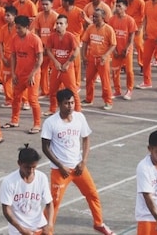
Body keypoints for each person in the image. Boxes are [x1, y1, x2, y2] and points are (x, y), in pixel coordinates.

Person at [40, 88, 115, 235]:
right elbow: (45, 147)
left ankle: (99, 223)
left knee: (92, 194)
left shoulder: (79, 118)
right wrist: (60, 165)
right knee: (54, 202)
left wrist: (83, 161)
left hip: (78, 167)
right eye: (67, 103)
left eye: (72, 103)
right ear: (59, 104)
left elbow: (86, 139)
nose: (70, 106)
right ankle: (46, 230)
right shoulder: (51, 123)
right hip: (60, 171)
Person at [0, 143, 53, 235]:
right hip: (19, 230)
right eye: (27, 167)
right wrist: (21, 229)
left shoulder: (41, 178)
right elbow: (6, 210)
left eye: (34, 167)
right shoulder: (9, 182)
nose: (31, 171)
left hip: (40, 226)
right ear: (19, 163)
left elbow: (49, 203)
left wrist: (50, 224)